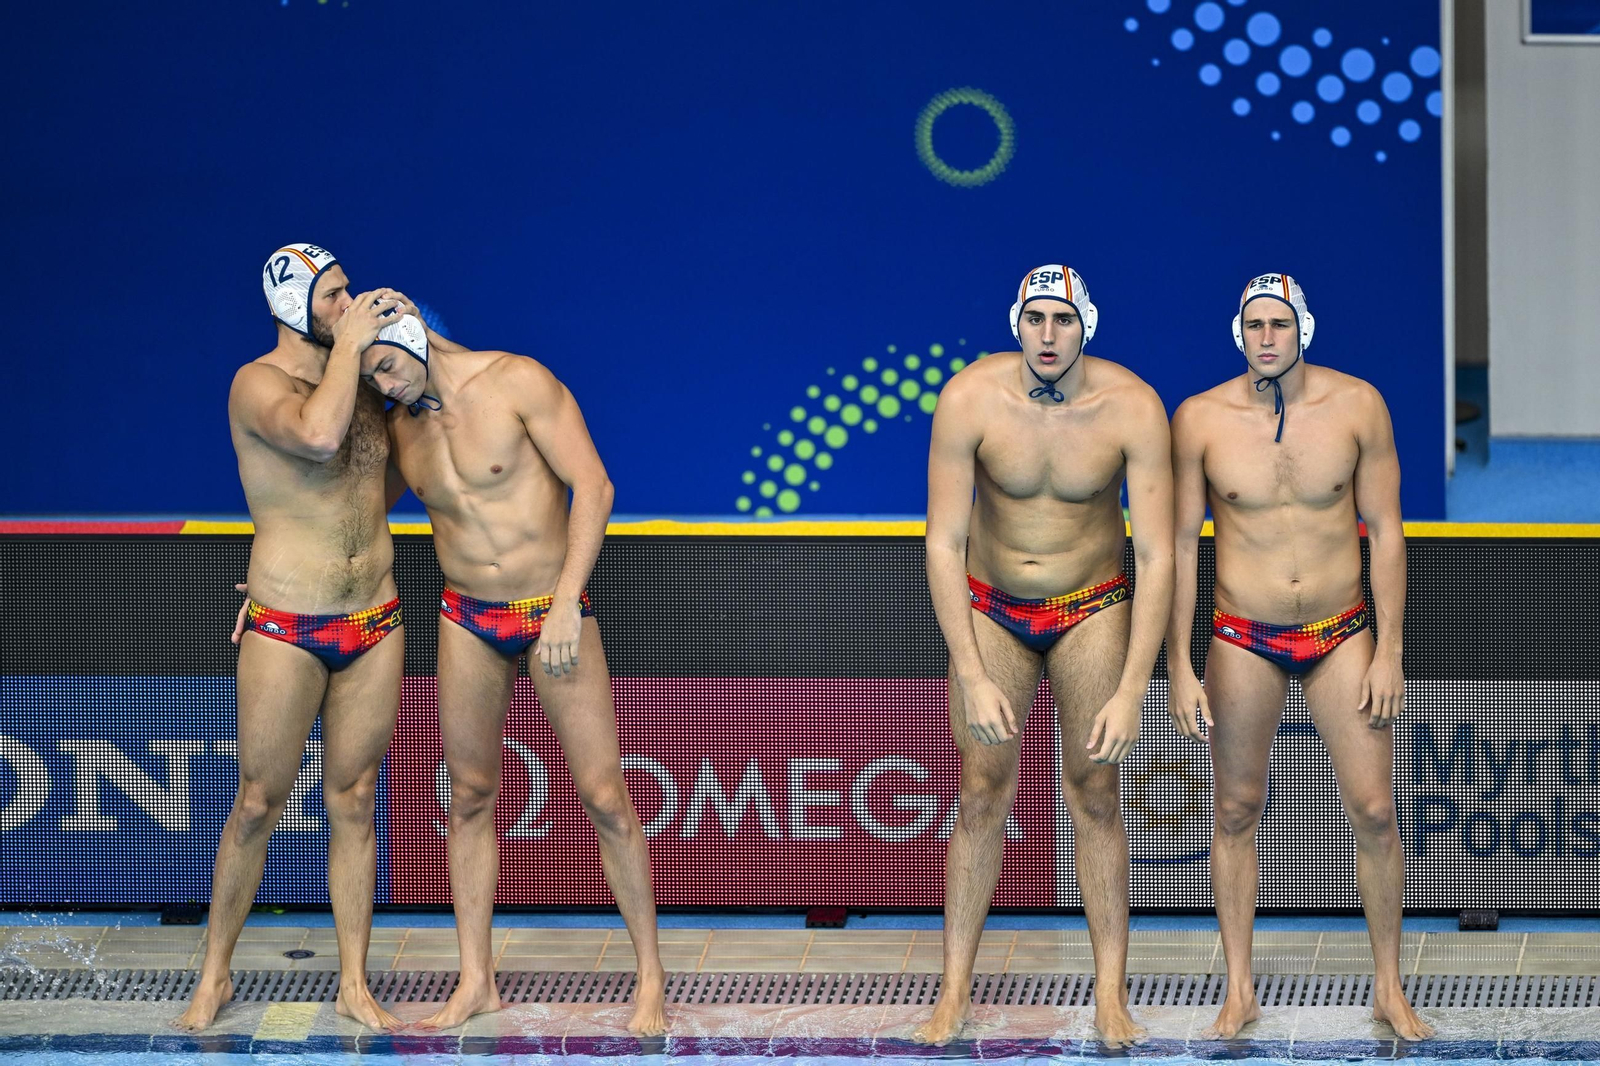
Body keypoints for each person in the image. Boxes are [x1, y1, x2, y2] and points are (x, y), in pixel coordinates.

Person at [357, 318, 667, 1035]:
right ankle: (476, 982)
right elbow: (348, 514)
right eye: (369, 379)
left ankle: (650, 977)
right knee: (467, 796)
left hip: (551, 609)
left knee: (604, 796)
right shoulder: (402, 426)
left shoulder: (517, 381)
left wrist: (565, 605)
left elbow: (593, 485)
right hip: (467, 617)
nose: (381, 386)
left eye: (383, 369)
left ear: (412, 337)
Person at [1166, 273, 1431, 1040]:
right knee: (1235, 809)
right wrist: (1179, 665)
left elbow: (1385, 529)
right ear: (1238, 332)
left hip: (1342, 630)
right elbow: (1181, 545)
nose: (1267, 338)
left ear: (1303, 328)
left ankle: (1387, 987)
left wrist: (1390, 649)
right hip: (1241, 634)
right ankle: (1240, 989)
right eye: (1254, 326)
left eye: (1279, 324)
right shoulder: (1201, 420)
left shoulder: (1357, 407)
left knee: (1376, 812)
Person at [916, 265, 1174, 1046]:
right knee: (981, 792)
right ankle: (954, 991)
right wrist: (968, 668)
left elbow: (1158, 556)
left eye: (1063, 320)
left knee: (1095, 792)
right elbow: (943, 541)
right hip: (992, 611)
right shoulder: (969, 399)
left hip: (1092, 607)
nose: (1049, 335)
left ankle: (1109, 994)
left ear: (1085, 324)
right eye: (1037, 320)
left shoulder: (1131, 407)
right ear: (1016, 324)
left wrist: (1135, 686)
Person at [176, 245, 412, 1033]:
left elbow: (385, 472)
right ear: (292, 307)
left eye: (350, 289)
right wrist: (352, 349)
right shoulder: (259, 384)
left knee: (355, 800)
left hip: (374, 619)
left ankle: (352, 981)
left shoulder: (362, 385)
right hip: (288, 624)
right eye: (334, 294)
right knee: (256, 801)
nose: (351, 303)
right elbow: (315, 439)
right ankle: (213, 975)